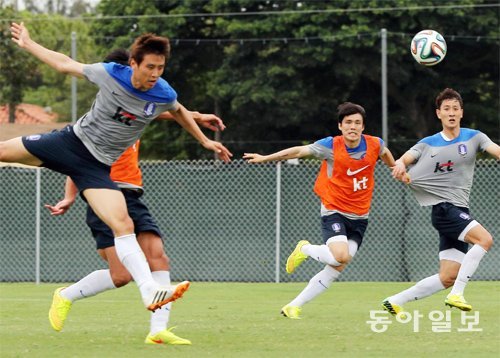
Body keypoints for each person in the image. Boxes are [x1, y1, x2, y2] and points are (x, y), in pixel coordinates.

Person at [1, 22, 232, 313]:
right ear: (133, 63)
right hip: (70, 143)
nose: (155, 74)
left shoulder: (162, 92)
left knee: (123, 224)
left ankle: (150, 292)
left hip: (95, 167)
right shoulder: (110, 73)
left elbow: (178, 110)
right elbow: (64, 64)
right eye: (150, 67)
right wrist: (28, 43)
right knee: (3, 151)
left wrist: (204, 141)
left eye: (161, 67)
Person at [244, 102, 397, 319]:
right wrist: (265, 158)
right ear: (340, 126)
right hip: (334, 209)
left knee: (337, 267)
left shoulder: (374, 144)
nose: (352, 127)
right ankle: (305, 249)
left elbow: (385, 152)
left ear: (363, 127)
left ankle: (293, 306)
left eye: (357, 123)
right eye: (348, 123)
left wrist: (396, 168)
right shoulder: (330, 146)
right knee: (339, 256)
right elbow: (299, 150)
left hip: (361, 216)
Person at [382, 88, 500, 315]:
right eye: (446, 109)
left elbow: (495, 150)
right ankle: (457, 294)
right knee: (484, 240)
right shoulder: (428, 143)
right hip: (444, 209)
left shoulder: (475, 137)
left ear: (462, 112)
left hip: (458, 209)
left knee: (448, 276)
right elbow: (406, 158)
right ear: (439, 114)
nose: (451, 113)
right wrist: (399, 165)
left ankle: (395, 300)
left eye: (455, 108)